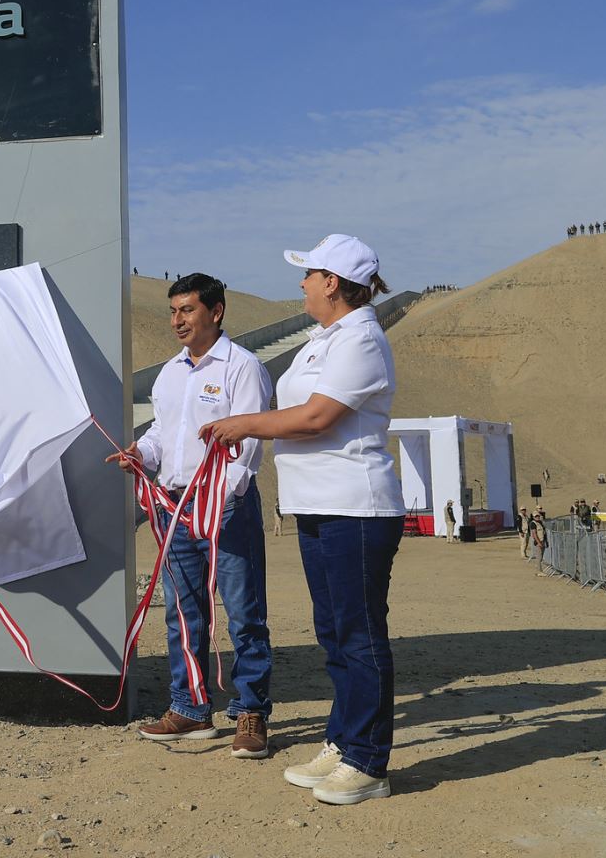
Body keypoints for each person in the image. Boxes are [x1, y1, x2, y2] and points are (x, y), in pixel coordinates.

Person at [202, 234, 402, 805]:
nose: (302, 283)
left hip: (354, 506)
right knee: (333, 632)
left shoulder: (361, 337)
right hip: (316, 504)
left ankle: (368, 761)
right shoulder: (325, 339)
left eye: (309, 274)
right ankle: (343, 742)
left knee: (360, 634)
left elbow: (317, 417)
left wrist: (245, 424)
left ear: (333, 282)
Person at [108, 273, 273, 758]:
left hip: (226, 509)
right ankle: (190, 709)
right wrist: (142, 453)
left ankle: (250, 712)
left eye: (187, 311)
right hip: (174, 509)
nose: (177, 321)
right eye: (174, 311)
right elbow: (164, 433)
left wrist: (218, 499)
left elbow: (248, 443)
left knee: (244, 615)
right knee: (184, 614)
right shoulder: (170, 373)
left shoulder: (242, 367)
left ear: (215, 312)